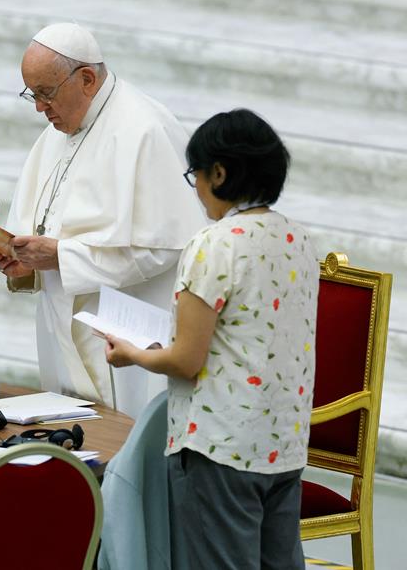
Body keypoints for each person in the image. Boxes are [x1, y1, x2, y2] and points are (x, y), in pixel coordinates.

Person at [104, 109, 317, 569]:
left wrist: (134, 354)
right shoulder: (298, 238)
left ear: (219, 172)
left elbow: (186, 360)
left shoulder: (215, 242)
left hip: (220, 447)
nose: (196, 189)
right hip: (283, 441)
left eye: (195, 175)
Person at [0, 22, 204, 417]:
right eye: (32, 95)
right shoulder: (59, 128)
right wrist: (24, 261)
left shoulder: (146, 129)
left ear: (87, 79)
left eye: (46, 93)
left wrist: (61, 256)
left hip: (128, 332)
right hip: (64, 327)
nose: (40, 108)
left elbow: (165, 246)